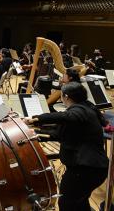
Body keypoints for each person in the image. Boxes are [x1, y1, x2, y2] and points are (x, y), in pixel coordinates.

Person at [24, 82, 108, 211]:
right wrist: (35, 133)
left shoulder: (80, 111)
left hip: (85, 170)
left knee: (67, 203)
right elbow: (58, 134)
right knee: (79, 201)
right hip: (93, 169)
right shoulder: (87, 107)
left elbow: (66, 116)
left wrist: (36, 119)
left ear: (66, 97)